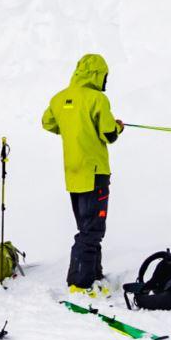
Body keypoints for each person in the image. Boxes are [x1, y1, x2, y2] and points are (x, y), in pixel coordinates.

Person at [42, 53, 123, 296]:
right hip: (95, 171)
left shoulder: (59, 98)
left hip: (73, 173)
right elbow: (109, 133)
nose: (105, 81)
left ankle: (94, 274)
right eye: (104, 76)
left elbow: (48, 122)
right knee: (92, 230)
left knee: (87, 226)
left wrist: (72, 127)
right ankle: (80, 282)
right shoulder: (97, 98)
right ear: (97, 74)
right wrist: (118, 127)